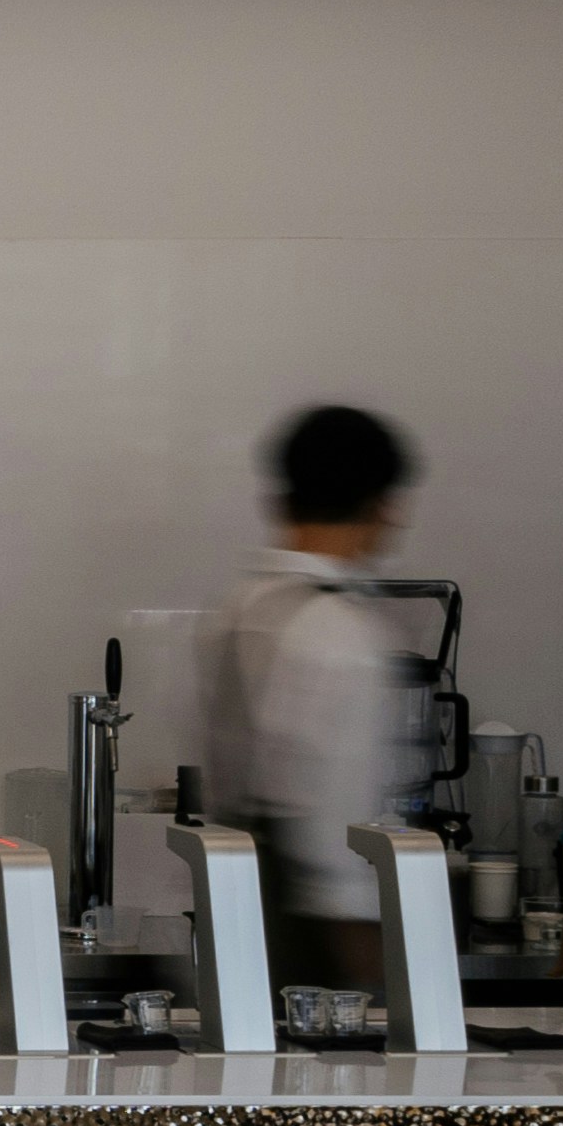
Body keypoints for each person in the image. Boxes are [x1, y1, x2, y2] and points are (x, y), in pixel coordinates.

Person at [197, 405, 415, 991]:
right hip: (313, 956)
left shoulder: (238, 610)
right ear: (381, 508)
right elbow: (335, 855)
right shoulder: (344, 632)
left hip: (234, 932)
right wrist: (381, 993)